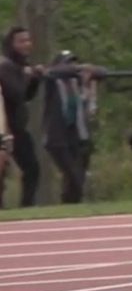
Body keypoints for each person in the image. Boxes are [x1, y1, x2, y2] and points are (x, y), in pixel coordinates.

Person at [42, 50, 99, 204]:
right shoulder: (53, 81)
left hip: (78, 135)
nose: (73, 66)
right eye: (68, 63)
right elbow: (52, 72)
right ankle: (69, 204)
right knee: (72, 174)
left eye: (74, 62)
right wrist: (80, 69)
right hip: (57, 137)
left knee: (79, 177)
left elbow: (101, 73)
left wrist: (87, 78)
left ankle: (71, 206)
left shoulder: (78, 83)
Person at [0, 27, 42, 207]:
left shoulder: (19, 67)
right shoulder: (5, 66)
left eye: (28, 40)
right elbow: (15, 93)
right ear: (11, 44)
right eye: (21, 41)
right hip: (4, 128)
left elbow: (26, 96)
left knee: (32, 169)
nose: (27, 44)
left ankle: (26, 207)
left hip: (17, 128)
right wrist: (26, 76)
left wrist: (35, 79)